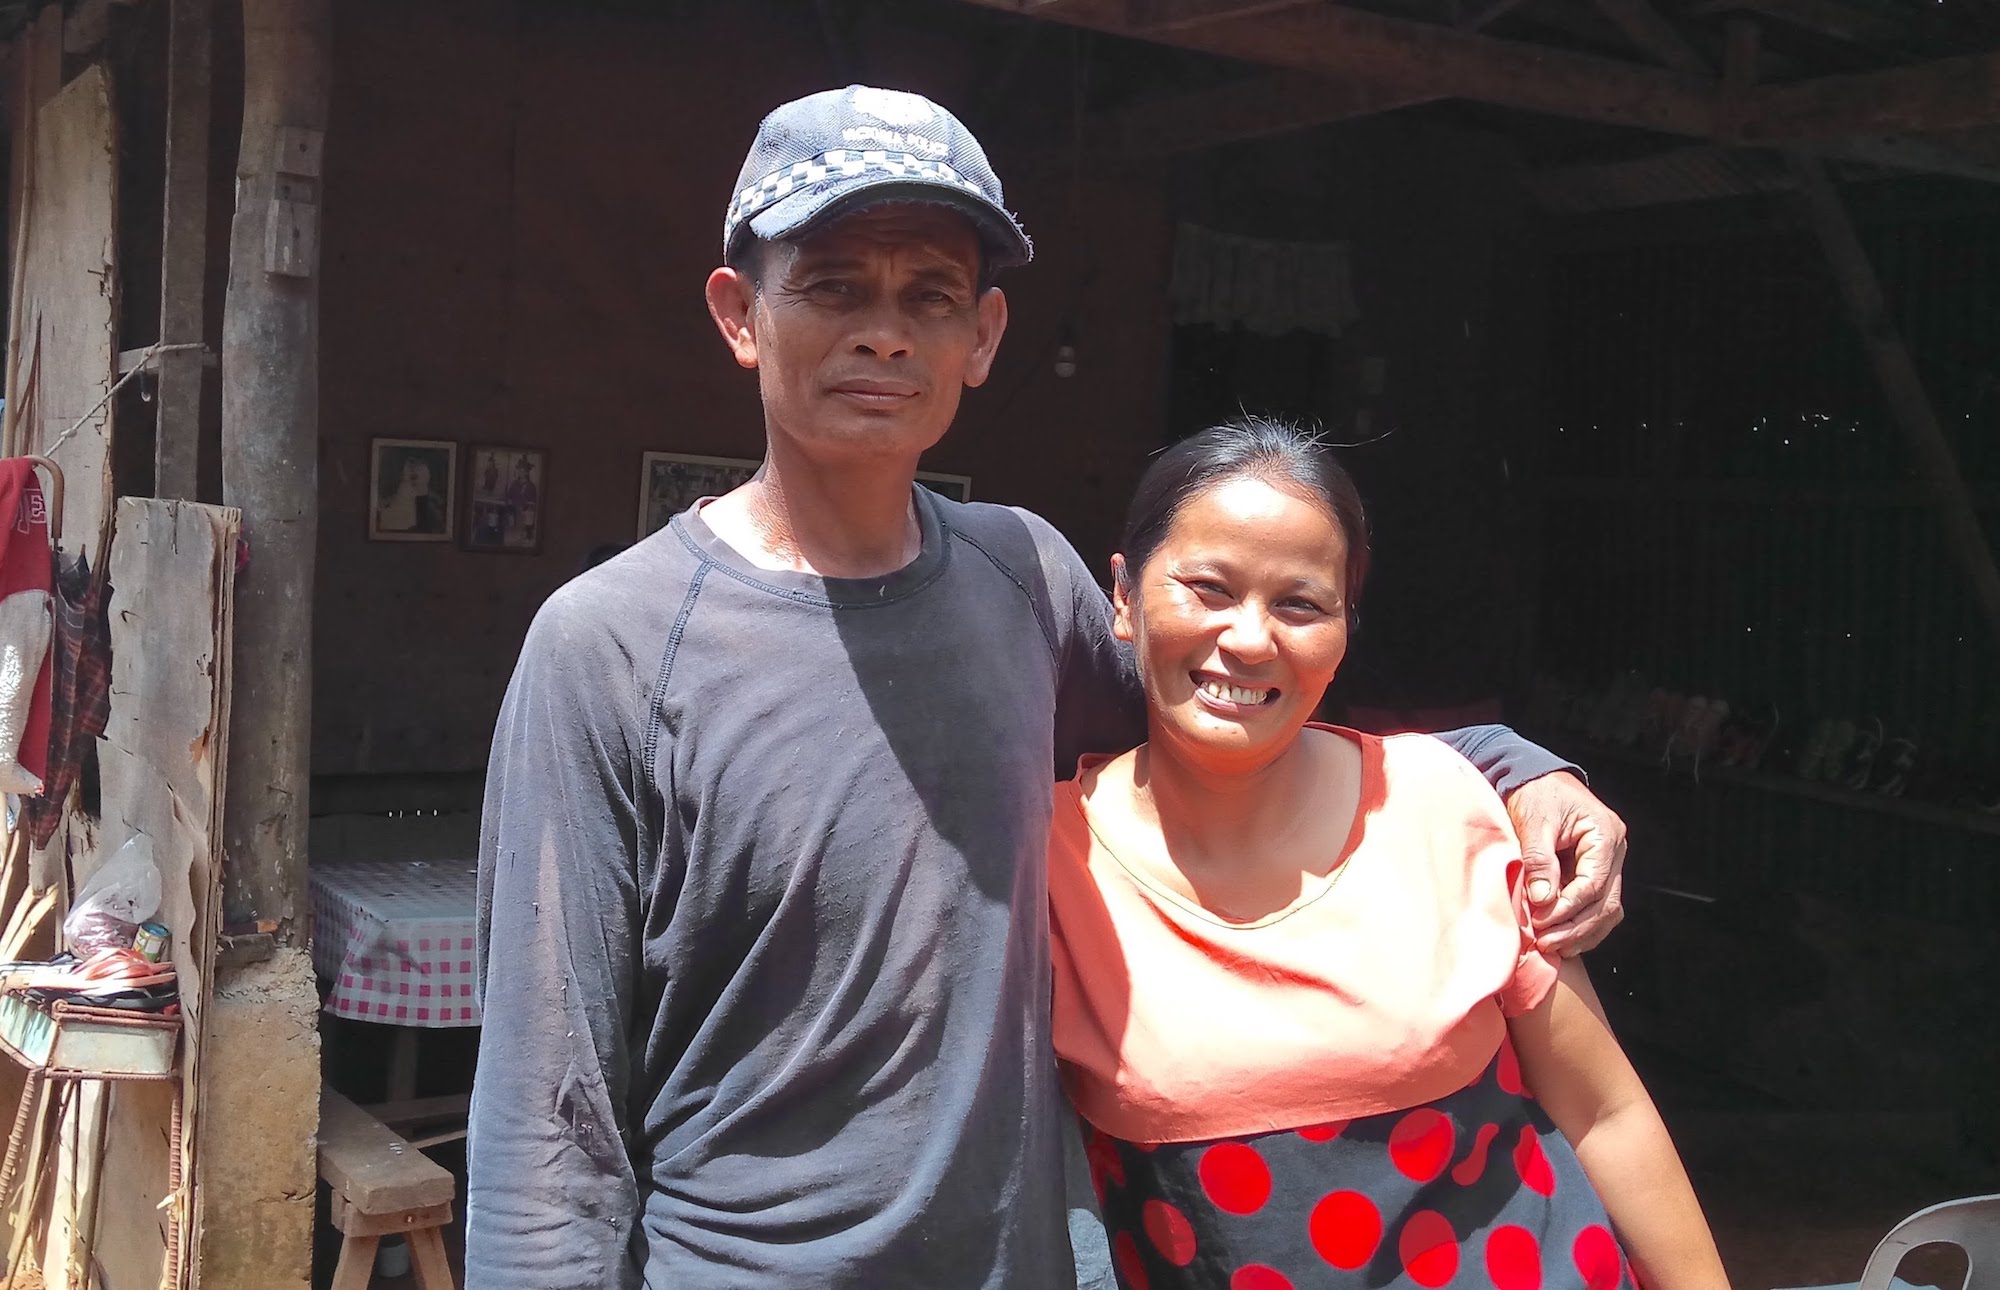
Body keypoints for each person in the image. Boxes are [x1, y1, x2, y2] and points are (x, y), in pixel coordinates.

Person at [468, 85, 1630, 1289]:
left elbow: (1226, 724)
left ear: (982, 337)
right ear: (738, 313)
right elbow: (549, 1111)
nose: (884, 333)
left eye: (929, 294)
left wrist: (1507, 765)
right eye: (831, 286)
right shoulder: (608, 644)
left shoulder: (1017, 575)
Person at [1051, 419, 1724, 1289]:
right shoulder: (1046, 867)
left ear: (1343, 630)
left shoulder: (1446, 805)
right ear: (1125, 598)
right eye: (1208, 588)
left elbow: (1605, 1112)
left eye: (1300, 603)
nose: (1251, 639)